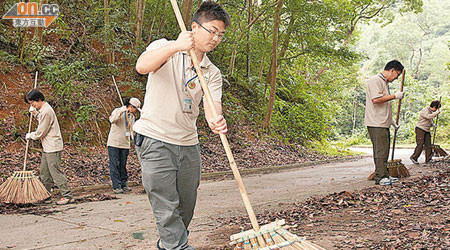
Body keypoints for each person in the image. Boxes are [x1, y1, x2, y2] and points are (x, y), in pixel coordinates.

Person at [134, 1, 230, 249]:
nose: (216, 38)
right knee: (165, 204)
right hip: (155, 140)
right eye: (212, 31)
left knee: (185, 206)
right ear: (194, 28)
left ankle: (169, 244)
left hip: (188, 144)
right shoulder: (165, 48)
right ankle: (177, 246)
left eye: (221, 35)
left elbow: (212, 105)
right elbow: (142, 66)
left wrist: (215, 120)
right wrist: (176, 45)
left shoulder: (212, 72)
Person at [25, 89, 73, 205]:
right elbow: (42, 119)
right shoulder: (42, 110)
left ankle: (67, 195)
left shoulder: (46, 111)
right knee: (44, 172)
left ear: (39, 99)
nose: (33, 105)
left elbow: (41, 131)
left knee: (54, 171)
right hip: (47, 147)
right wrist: (35, 113)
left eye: (33, 103)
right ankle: (45, 195)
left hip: (53, 146)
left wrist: (31, 135)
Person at [364, 60, 405, 186]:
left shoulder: (384, 82)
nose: (396, 78)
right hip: (376, 122)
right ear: (392, 70)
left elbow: (385, 105)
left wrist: (391, 121)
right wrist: (394, 96)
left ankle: (385, 174)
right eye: (397, 74)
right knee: (380, 150)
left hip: (383, 122)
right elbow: (376, 100)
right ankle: (380, 177)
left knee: (384, 149)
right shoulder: (375, 80)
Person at [107, 97, 141, 194]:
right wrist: (122, 111)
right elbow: (112, 120)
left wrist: (134, 140)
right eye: (135, 109)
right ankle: (116, 186)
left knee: (123, 165)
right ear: (131, 106)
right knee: (115, 164)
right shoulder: (118, 111)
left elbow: (131, 129)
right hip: (114, 143)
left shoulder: (132, 117)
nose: (135, 111)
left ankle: (124, 183)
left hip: (125, 144)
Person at [410, 100, 441, 164]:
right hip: (420, 129)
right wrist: (436, 113)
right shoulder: (425, 110)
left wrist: (433, 125)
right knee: (420, 144)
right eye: (437, 108)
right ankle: (414, 157)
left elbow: (430, 120)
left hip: (427, 130)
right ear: (434, 107)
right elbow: (428, 116)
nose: (436, 110)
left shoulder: (430, 111)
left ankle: (428, 159)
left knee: (428, 145)